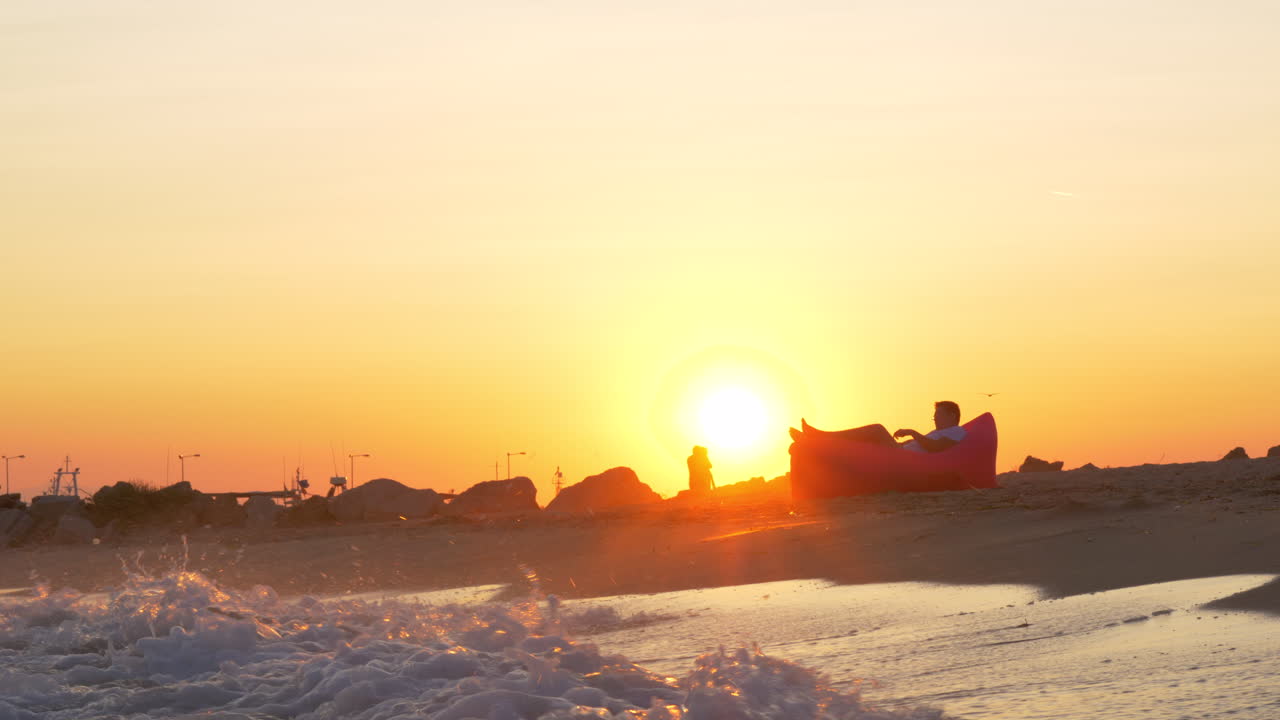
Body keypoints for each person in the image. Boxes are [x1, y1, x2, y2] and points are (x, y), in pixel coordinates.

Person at [789, 401, 966, 454]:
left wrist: (912, 432)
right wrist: (905, 442)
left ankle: (819, 436)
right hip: (902, 451)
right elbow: (924, 444)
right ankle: (814, 442)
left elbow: (935, 448)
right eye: (934, 416)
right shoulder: (937, 432)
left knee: (877, 429)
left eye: (938, 415)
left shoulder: (957, 431)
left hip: (905, 458)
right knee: (865, 440)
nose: (935, 419)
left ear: (952, 416)